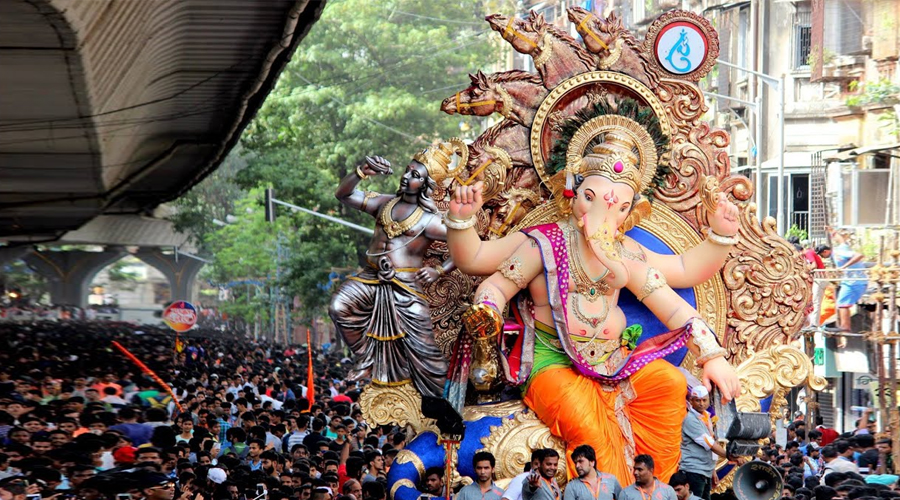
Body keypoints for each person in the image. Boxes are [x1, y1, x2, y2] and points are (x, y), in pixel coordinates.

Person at [449, 115, 740, 485]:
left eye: (618, 207)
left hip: (615, 363)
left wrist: (713, 354)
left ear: (630, 210)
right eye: (591, 199)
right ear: (571, 191)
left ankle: (653, 492)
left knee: (668, 382)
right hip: (554, 363)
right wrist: (464, 230)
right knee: (589, 429)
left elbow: (678, 291)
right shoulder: (546, 244)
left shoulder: (625, 254)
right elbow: (484, 272)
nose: (603, 216)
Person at [329, 151, 455, 398]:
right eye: (407, 170)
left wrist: (439, 269)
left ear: (425, 186)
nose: (406, 177)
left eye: (415, 175)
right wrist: (361, 171)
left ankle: (442, 399)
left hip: (406, 285)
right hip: (370, 278)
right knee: (339, 307)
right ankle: (368, 362)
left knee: (424, 351)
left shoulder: (429, 221)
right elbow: (343, 194)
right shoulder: (383, 203)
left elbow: (466, 243)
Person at [680, 386, 729, 500]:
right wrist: (729, 456)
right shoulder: (691, 419)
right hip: (693, 470)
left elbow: (711, 441)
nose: (701, 403)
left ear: (708, 401)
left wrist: (712, 470)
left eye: (704, 400)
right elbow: (710, 444)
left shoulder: (706, 417)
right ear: (691, 401)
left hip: (704, 471)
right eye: (697, 400)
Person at [828, 230, 867, 334]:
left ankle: (845, 327)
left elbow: (859, 255)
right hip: (850, 281)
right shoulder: (842, 247)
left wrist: (844, 267)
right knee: (841, 303)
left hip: (855, 281)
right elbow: (841, 240)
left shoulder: (839, 251)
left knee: (842, 303)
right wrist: (832, 231)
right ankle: (844, 326)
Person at [806, 245, 832, 327]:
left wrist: (804, 269)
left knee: (816, 301)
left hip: (820, 279)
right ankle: (813, 322)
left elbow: (814, 266)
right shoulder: (810, 252)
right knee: (815, 301)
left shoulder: (808, 252)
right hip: (820, 278)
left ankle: (814, 324)